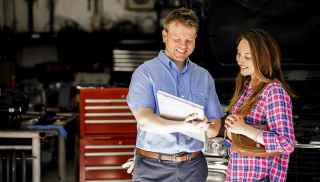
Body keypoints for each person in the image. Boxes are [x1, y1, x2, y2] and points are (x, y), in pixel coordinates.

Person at [127, 7, 224, 182]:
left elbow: (215, 126)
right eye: (176, 39)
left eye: (189, 40)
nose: (183, 46)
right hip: (152, 167)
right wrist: (184, 126)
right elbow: (145, 120)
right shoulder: (145, 73)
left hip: (193, 167)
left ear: (195, 39)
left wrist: (206, 127)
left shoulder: (204, 77)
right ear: (165, 36)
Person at [224, 29, 296, 182]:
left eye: (247, 57)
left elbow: (287, 144)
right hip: (236, 176)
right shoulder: (246, 87)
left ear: (263, 59)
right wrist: (230, 131)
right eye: (239, 54)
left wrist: (243, 128)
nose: (240, 60)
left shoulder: (274, 91)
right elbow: (238, 137)